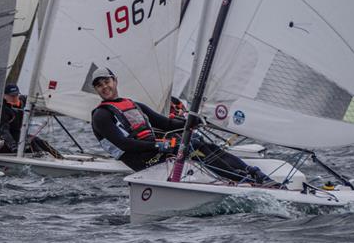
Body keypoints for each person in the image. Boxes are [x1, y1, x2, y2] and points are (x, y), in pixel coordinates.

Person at [89, 68, 274, 185]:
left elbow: (166, 123)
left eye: (107, 82)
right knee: (191, 147)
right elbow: (124, 144)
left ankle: (251, 173)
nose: (104, 87)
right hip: (140, 159)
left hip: (153, 149)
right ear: (96, 90)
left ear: (115, 81)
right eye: (99, 85)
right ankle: (241, 180)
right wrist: (159, 145)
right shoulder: (101, 115)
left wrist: (195, 121)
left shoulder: (133, 105)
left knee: (199, 142)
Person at [0, 84, 61, 157]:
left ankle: (61, 158)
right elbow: (4, 132)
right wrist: (14, 147)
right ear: (4, 96)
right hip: (8, 140)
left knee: (41, 142)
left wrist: (50, 107)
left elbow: (38, 101)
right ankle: (43, 159)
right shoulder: (3, 110)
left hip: (20, 135)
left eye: (16, 95)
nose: (15, 98)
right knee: (32, 144)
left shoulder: (24, 101)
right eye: (12, 96)